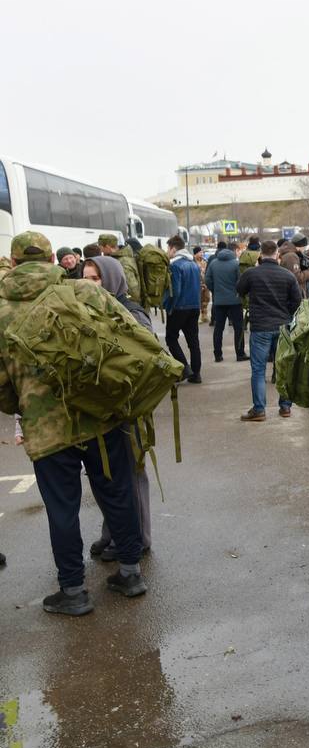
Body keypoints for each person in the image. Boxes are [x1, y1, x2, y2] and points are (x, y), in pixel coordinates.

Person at [0, 232, 149, 616]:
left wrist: (23, 403)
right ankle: (131, 573)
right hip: (100, 415)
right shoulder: (82, 291)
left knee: (61, 507)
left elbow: (1, 386)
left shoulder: (1, 310)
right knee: (116, 492)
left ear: (13, 263)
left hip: (46, 428)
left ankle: (73, 590)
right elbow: (126, 339)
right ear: (52, 257)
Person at [81, 255, 156, 562]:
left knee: (131, 475)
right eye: (84, 278)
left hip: (128, 411)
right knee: (107, 477)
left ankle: (138, 539)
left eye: (95, 279)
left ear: (111, 280)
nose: (88, 284)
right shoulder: (89, 309)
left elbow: (149, 359)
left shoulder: (131, 313)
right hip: (101, 410)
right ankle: (114, 533)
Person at [235, 240, 302, 421]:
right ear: (277, 255)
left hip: (260, 327)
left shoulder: (251, 274)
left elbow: (239, 289)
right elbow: (297, 302)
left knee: (258, 370)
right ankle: (285, 407)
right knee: (283, 368)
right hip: (282, 327)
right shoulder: (288, 276)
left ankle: (259, 410)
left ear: (260, 255)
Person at [163, 235, 203, 384]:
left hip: (179, 307)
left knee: (171, 338)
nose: (167, 251)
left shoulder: (175, 265)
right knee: (193, 341)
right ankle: (196, 374)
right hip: (194, 306)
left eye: (168, 248)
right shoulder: (193, 264)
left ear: (173, 248)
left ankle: (185, 368)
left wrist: (168, 306)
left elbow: (176, 290)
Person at [205, 241, 247, 362]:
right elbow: (241, 281)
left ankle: (218, 355)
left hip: (219, 301)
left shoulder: (213, 263)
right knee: (238, 328)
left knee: (218, 328)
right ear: (234, 251)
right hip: (235, 301)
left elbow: (207, 279)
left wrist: (215, 290)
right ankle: (240, 354)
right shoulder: (236, 264)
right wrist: (238, 293)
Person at [98, 234, 142, 302]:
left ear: (107, 247)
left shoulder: (122, 262)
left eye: (101, 248)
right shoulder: (122, 257)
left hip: (129, 307)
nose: (101, 252)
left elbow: (133, 291)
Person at [192, 245, 211, 325]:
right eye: (200, 252)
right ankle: (198, 317)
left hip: (205, 283)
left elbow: (207, 271)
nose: (202, 253)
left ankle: (204, 315)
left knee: (206, 299)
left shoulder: (204, 261)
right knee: (198, 300)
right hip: (196, 283)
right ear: (195, 253)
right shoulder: (192, 262)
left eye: (202, 252)